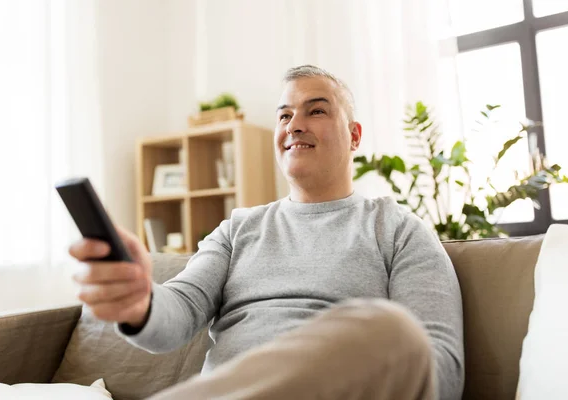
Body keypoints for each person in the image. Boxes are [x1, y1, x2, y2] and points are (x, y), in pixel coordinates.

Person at [69, 65, 464, 400]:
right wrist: (142, 302)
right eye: (284, 115)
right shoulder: (238, 229)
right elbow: (181, 308)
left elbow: (440, 368)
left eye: (317, 110)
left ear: (355, 136)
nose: (295, 125)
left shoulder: (399, 230)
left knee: (392, 332)